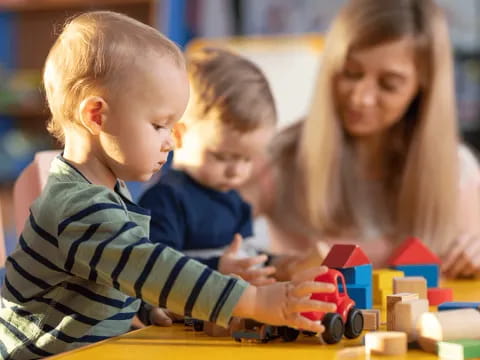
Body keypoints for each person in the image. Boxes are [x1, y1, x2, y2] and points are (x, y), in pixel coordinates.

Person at [0, 12, 336, 358]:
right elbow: (150, 266)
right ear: (97, 116)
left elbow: (112, 277)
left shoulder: (104, 191)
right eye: (160, 125)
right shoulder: (78, 206)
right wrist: (253, 300)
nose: (170, 142)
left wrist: (143, 308)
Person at [256, 0, 480, 276]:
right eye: (350, 73)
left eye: (389, 84)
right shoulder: (280, 158)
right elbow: (209, 246)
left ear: (423, 87)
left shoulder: (458, 172)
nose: (361, 98)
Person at [139, 47, 277, 286]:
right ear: (179, 135)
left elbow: (245, 255)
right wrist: (218, 268)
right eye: (222, 157)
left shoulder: (233, 199)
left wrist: (279, 263)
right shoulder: (166, 200)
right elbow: (155, 268)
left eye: (247, 159)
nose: (236, 171)